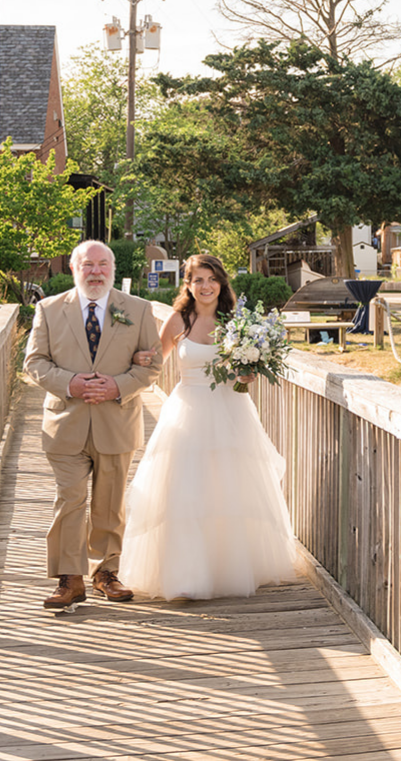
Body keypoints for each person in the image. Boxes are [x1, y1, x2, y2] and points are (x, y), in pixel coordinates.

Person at [121, 254, 295, 600]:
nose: (206, 286)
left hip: (231, 411)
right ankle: (187, 575)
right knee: (186, 492)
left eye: (212, 278)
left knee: (228, 488)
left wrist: (249, 372)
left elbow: (247, 368)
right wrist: (132, 366)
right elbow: (154, 362)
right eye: (198, 279)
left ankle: (227, 568)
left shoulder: (236, 321)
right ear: (187, 285)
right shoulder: (177, 321)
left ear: (222, 283)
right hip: (187, 411)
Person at [25, 240, 161, 609]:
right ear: (74, 268)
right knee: (70, 499)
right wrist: (69, 383)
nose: (96, 271)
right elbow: (34, 362)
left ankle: (106, 572)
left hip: (116, 421)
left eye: (103, 264)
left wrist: (119, 385)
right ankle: (69, 579)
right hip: (65, 423)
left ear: (112, 268)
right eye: (88, 265)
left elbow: (151, 364)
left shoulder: (138, 309)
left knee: (109, 503)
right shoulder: (49, 310)